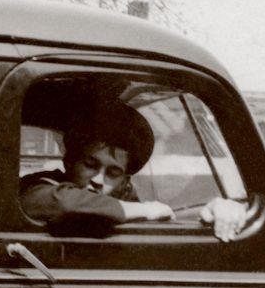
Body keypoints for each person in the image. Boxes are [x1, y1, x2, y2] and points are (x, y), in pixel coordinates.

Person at [20, 100, 251, 242]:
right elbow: (65, 203)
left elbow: (166, 217)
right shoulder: (39, 187)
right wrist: (147, 209)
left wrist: (217, 209)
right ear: (70, 161)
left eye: (113, 173)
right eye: (90, 164)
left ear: (124, 181)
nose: (99, 180)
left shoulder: (124, 202)